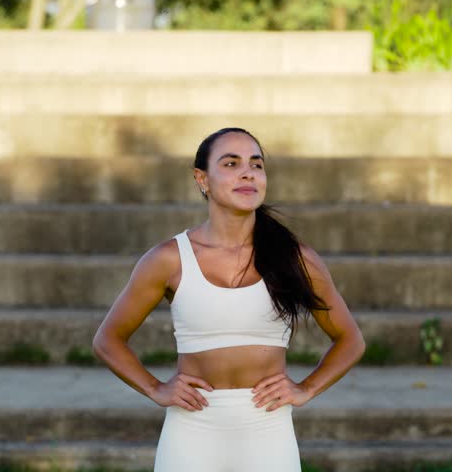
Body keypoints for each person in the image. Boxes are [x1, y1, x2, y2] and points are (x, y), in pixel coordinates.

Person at [92, 127, 366, 472]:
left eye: (256, 164)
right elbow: (107, 339)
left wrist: (306, 388)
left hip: (268, 429)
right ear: (202, 179)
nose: (248, 172)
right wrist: (155, 388)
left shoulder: (295, 257)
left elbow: (350, 339)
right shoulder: (169, 259)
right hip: (191, 429)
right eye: (231, 163)